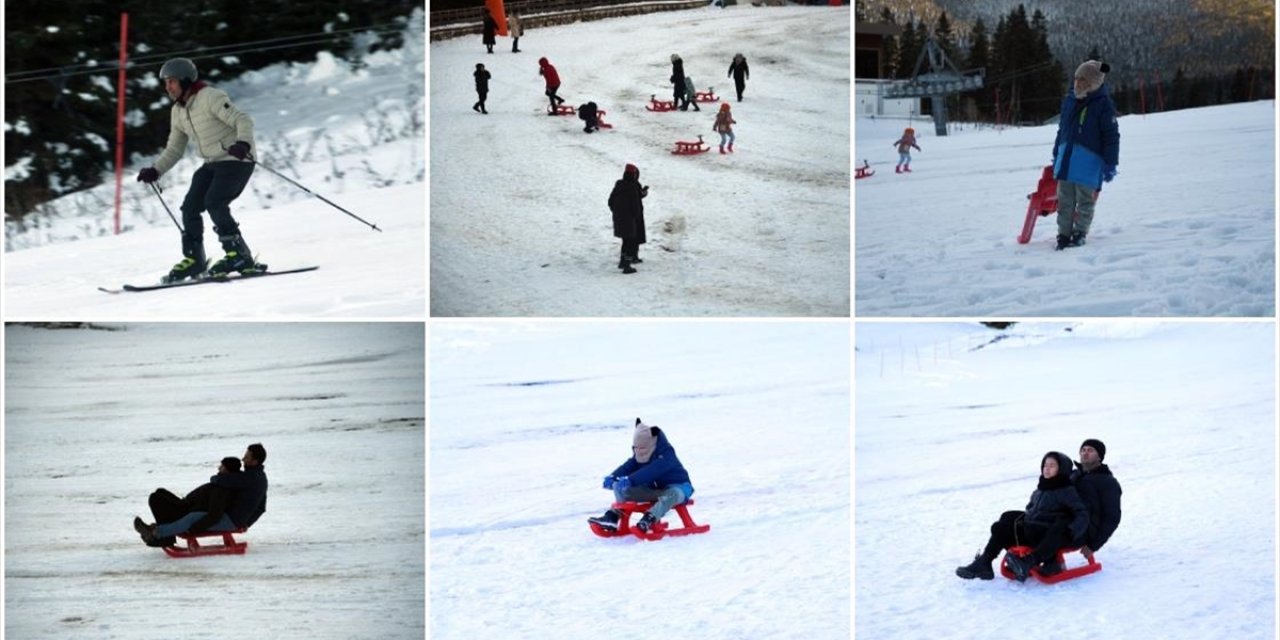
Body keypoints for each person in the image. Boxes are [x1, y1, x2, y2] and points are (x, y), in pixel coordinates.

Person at [136, 57, 262, 283]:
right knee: (190, 207)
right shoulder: (178, 111)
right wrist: (156, 171)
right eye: (165, 83)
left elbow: (243, 120)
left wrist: (242, 144)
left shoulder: (210, 97)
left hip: (236, 160)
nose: (168, 87)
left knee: (215, 202)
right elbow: (175, 148)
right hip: (212, 163)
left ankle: (240, 256)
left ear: (185, 80)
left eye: (172, 82)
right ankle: (195, 260)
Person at [955, 451, 1089, 581]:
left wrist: (1072, 530)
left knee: (1005, 527)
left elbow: (1081, 513)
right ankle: (985, 562)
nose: (1047, 469)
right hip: (1032, 530)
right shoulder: (1041, 488)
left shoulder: (1066, 490)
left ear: (1061, 469)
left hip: (1045, 536)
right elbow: (1030, 508)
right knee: (1004, 520)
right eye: (1045, 465)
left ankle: (1028, 561)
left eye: (1052, 465)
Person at [134, 443, 269, 545]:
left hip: (230, 520)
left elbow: (220, 479)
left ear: (255, 461)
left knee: (192, 518)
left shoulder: (250, 478)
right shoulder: (260, 478)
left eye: (246, 457)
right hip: (234, 519)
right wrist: (246, 523)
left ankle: (156, 533)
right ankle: (159, 529)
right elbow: (261, 508)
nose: (243, 459)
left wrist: (242, 523)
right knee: (190, 514)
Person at [1051, 60, 1120, 250]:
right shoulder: (1070, 101)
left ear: (1093, 84)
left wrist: (1110, 164)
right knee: (1064, 201)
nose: (1078, 83)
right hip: (1066, 161)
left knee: (1085, 202)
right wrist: (1057, 153)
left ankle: (1079, 233)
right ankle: (1063, 235)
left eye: (1083, 80)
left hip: (1088, 163)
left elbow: (1111, 136)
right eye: (1076, 79)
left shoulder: (1103, 105)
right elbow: (1062, 130)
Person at [588, 419, 695, 533]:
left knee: (673, 494)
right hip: (655, 490)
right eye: (635, 448)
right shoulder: (641, 454)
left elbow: (652, 471)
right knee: (622, 489)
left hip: (679, 488)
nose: (638, 451)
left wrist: (631, 480)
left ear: (652, 444)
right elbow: (629, 465)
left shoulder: (666, 455)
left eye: (642, 448)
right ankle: (613, 517)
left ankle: (649, 518)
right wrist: (614, 476)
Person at [135, 456, 243, 547]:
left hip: (188, 513)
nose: (219, 467)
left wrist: (193, 528)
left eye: (222, 466)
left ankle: (164, 537)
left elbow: (214, 514)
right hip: (188, 507)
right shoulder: (223, 483)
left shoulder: (222, 489)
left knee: (156, 499)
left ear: (227, 470)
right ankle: (159, 530)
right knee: (160, 492)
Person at [1071, 438, 1122, 562]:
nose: (1085, 453)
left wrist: (1094, 545)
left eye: (1090, 450)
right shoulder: (1072, 475)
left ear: (1099, 456)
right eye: (1083, 450)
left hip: (1083, 531)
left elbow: (1112, 517)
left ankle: (1043, 561)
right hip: (1062, 519)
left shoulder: (1108, 482)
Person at [607, 164, 648, 273]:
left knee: (626, 241)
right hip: (630, 220)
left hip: (620, 219)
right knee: (630, 242)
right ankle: (626, 265)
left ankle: (623, 262)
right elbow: (635, 205)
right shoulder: (632, 187)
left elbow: (610, 201)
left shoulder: (619, 185)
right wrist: (635, 216)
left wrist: (617, 212)